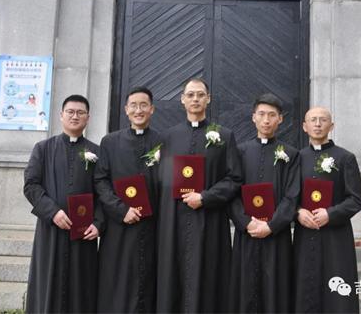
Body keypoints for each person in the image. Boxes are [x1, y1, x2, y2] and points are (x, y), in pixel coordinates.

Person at [156, 78, 242, 313]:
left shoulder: (224, 136)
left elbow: (234, 178)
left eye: (200, 95)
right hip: (174, 220)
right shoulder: (167, 137)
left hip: (209, 220)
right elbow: (159, 179)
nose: (195, 99)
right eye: (191, 95)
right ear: (182, 99)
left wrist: (205, 197)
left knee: (208, 274)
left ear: (208, 99)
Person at [23, 94, 103, 313]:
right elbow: (31, 185)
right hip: (51, 231)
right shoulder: (43, 149)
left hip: (83, 234)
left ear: (88, 118)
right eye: (70, 112)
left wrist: (98, 223)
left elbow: (103, 192)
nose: (75, 116)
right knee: (48, 285)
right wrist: (53, 212)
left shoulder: (97, 152)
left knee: (81, 288)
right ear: (61, 115)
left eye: (80, 112)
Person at [229, 93, 300, 313]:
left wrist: (271, 225)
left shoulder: (291, 154)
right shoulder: (239, 152)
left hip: (276, 234)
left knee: (275, 288)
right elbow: (231, 192)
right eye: (261, 114)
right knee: (245, 287)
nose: (266, 120)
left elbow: (292, 195)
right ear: (253, 117)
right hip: (247, 233)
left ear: (280, 119)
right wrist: (246, 222)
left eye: (272, 115)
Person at [94, 86, 161, 313]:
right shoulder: (109, 142)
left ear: (152, 109)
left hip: (152, 226)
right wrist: (121, 210)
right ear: (125, 109)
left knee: (148, 279)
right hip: (118, 226)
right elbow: (101, 181)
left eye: (143, 105)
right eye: (133, 105)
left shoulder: (163, 141)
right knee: (118, 279)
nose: (138, 110)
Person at [293, 107, 361, 313]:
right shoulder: (297, 158)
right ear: (304, 126)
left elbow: (355, 199)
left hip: (336, 236)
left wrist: (330, 214)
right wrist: (298, 212)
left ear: (331, 126)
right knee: (305, 286)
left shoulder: (345, 158)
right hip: (305, 234)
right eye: (313, 120)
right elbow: (290, 196)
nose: (317, 124)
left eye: (323, 120)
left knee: (337, 289)